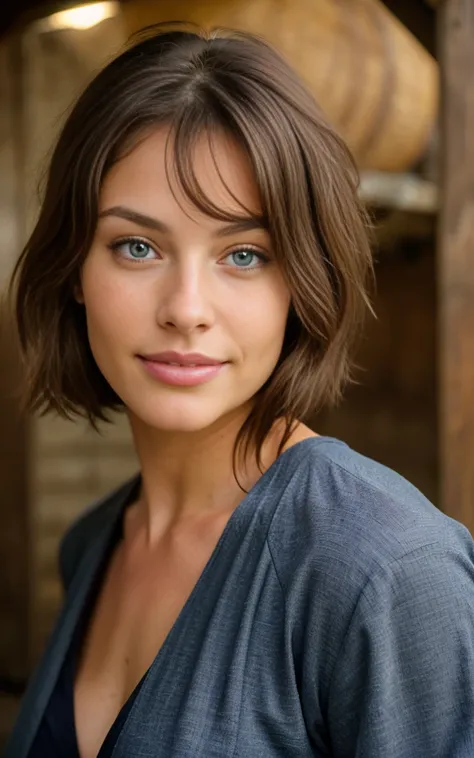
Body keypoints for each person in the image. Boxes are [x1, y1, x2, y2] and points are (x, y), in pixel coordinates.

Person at [5, 21, 474, 758]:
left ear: (303, 282)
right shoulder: (92, 544)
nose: (186, 307)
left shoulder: (386, 568)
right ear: (74, 270)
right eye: (137, 246)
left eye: (245, 254)